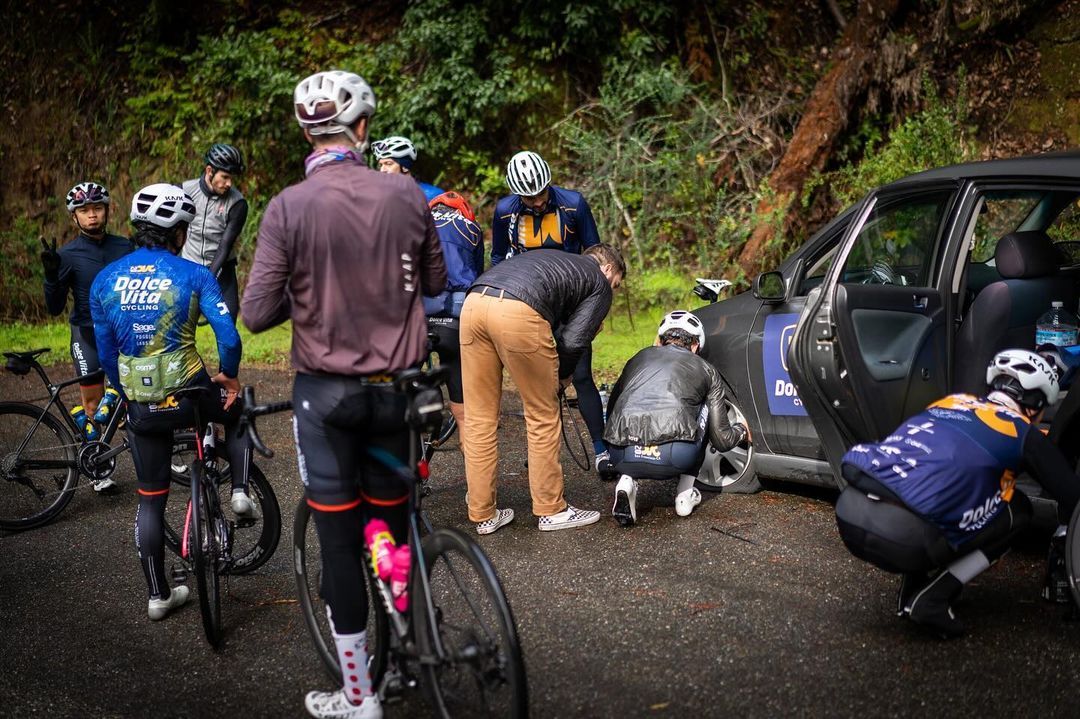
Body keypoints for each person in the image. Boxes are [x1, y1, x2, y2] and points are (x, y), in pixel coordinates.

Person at [241, 70, 445, 719]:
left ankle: (360, 696)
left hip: (326, 399)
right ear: (362, 130)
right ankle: (411, 634)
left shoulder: (288, 207)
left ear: (306, 131)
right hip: (397, 391)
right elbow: (435, 282)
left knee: (337, 542)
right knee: (389, 523)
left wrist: (309, 291)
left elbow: (254, 312)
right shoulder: (405, 193)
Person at [89, 183, 252, 622]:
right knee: (239, 406)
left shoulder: (105, 280)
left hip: (141, 404)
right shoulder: (194, 274)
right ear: (179, 232)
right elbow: (228, 337)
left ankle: (158, 596)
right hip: (193, 394)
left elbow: (106, 354)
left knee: (150, 500)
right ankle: (238, 491)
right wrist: (230, 375)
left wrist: (125, 394)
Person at [834, 349, 1080, 638]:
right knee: (1018, 508)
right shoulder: (1022, 431)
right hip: (905, 539)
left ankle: (911, 591)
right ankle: (932, 598)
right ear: (1035, 403)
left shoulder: (951, 401)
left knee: (933, 484)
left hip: (850, 512)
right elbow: (1072, 496)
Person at [461, 244, 625, 535]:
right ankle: (552, 510)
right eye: (617, 284)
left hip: (474, 303)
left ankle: (483, 513)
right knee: (543, 414)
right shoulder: (599, 281)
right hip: (517, 311)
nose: (613, 290)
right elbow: (575, 341)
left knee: (478, 418)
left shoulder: (557, 261)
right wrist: (561, 379)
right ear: (609, 269)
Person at [491, 151, 611, 476]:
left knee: (581, 375)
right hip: (530, 303)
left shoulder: (573, 204)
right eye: (529, 198)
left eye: (542, 193)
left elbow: (595, 256)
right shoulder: (505, 212)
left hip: (572, 302)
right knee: (541, 382)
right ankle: (543, 453)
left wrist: (595, 310)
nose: (538, 202)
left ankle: (601, 451)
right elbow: (497, 258)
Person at [604, 311, 749, 526]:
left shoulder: (637, 358)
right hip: (674, 457)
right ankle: (684, 495)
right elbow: (721, 439)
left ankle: (626, 482)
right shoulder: (707, 369)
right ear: (696, 345)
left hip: (620, 455)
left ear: (661, 341)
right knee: (704, 406)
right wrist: (742, 430)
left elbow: (613, 408)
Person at [42, 182, 134, 491]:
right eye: (84, 211)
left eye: (97, 208)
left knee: (145, 392)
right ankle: (101, 469)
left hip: (124, 331)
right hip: (87, 334)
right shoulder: (67, 255)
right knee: (94, 404)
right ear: (74, 218)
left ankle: (166, 449)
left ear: (108, 210)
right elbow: (54, 308)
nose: (92, 216)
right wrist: (51, 276)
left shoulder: (125, 247)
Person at [423, 191, 485, 448]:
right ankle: (474, 479)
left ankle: (419, 452)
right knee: (460, 398)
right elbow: (478, 274)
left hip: (419, 317)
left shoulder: (414, 222)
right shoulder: (472, 228)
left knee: (408, 387)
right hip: (457, 318)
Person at [180, 143, 248, 321]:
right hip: (188, 266)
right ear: (209, 171)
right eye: (224, 177)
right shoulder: (185, 191)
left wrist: (208, 280)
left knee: (229, 330)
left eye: (231, 178)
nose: (229, 184)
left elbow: (225, 246)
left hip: (222, 269)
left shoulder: (237, 203)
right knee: (179, 328)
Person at [371, 135, 444, 202]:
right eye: (381, 165)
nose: (382, 170)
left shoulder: (432, 195)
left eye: (389, 164)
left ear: (405, 167)